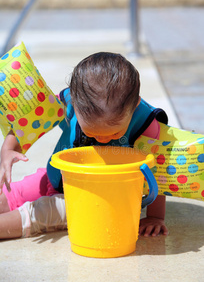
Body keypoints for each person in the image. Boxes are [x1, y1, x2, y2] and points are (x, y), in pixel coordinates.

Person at [0, 52, 169, 239]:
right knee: (9, 195)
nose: (103, 139)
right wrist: (9, 148)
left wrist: (155, 216)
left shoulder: (146, 125)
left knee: (41, 213)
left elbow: (158, 170)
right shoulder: (69, 105)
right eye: (92, 132)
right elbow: (33, 118)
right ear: (75, 106)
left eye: (114, 133)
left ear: (135, 105)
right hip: (55, 179)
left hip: (96, 199)